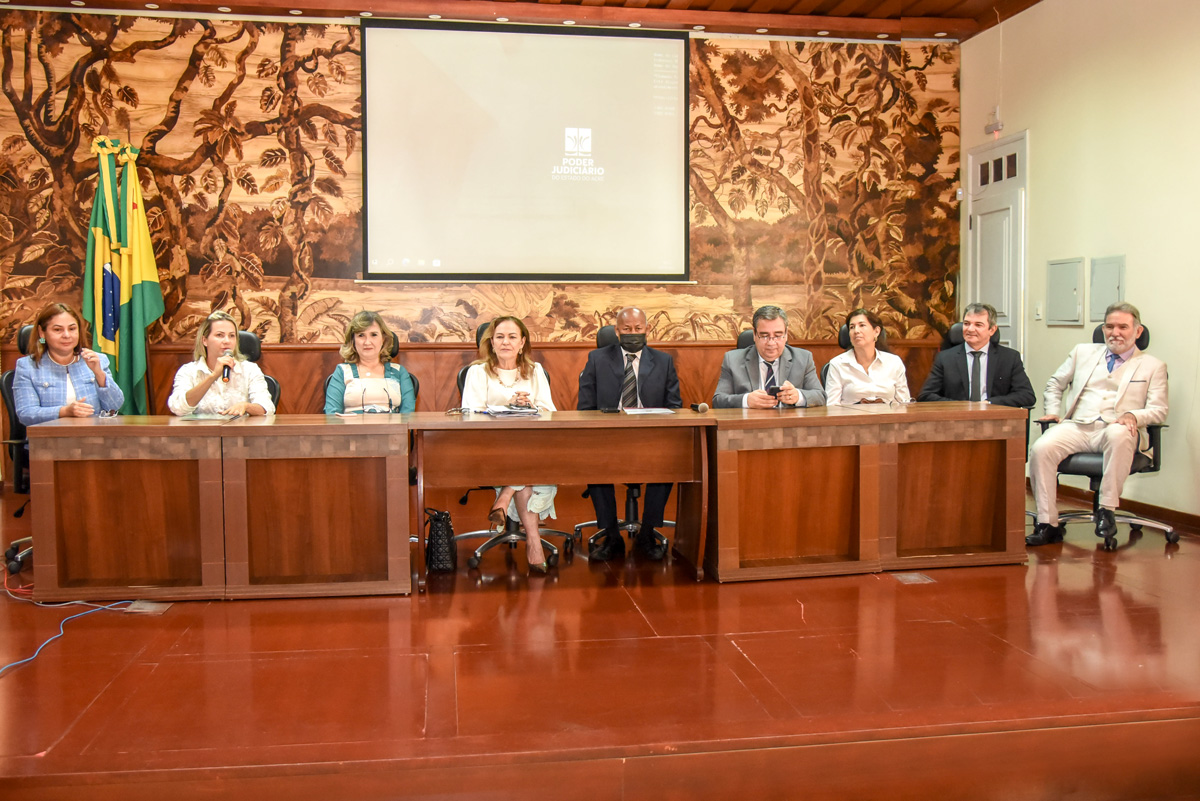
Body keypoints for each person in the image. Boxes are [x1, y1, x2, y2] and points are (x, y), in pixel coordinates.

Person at [1026, 302, 1168, 546]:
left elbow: (1159, 410)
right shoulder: (1082, 352)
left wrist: (1135, 416)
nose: (1116, 332)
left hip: (1118, 429)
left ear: (1138, 331)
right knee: (1041, 447)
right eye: (1110, 326)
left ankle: (1106, 509)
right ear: (1103, 329)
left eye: (1123, 327)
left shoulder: (1153, 366)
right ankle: (1048, 523)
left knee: (1118, 433)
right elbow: (1055, 384)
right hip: (1078, 425)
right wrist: (1052, 413)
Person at [577, 306, 682, 562]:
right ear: (616, 331)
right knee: (596, 467)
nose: (632, 334)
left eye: (638, 329)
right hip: (609, 436)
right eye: (626, 329)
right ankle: (611, 536)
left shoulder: (663, 361)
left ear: (647, 329)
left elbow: (675, 405)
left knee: (665, 465)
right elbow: (585, 407)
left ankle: (647, 534)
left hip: (650, 436)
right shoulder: (597, 359)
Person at [460, 316, 557, 573]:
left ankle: (504, 498)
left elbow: (549, 411)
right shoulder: (477, 372)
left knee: (524, 457)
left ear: (522, 342)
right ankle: (534, 542)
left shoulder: (535, 371)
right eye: (500, 337)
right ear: (491, 342)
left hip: (532, 445)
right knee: (523, 462)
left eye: (512, 337)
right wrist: (508, 407)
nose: (506, 342)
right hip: (490, 447)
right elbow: (469, 412)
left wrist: (529, 406)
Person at [13, 302, 125, 425]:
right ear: (42, 332)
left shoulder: (97, 360)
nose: (66, 335)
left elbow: (114, 406)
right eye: (57, 330)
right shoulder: (27, 366)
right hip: (49, 440)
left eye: (72, 329)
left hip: (94, 439)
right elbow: (26, 414)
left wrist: (99, 373)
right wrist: (64, 411)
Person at [918, 302, 1035, 407]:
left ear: (992, 330)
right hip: (956, 421)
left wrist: (989, 403)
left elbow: (1027, 395)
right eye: (966, 323)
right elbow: (926, 395)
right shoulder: (945, 358)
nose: (970, 329)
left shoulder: (1009, 358)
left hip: (995, 420)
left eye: (978, 325)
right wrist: (961, 406)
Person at [712, 305, 825, 409]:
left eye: (777, 335)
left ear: (786, 334)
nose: (771, 343)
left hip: (789, 426)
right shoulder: (732, 360)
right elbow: (718, 400)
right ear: (755, 335)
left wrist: (798, 396)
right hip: (749, 426)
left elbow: (821, 396)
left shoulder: (803, 358)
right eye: (765, 336)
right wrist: (746, 400)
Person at [168, 311, 275, 417]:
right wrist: (213, 376)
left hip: (239, 431)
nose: (227, 341)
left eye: (232, 336)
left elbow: (267, 407)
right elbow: (178, 408)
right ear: (205, 340)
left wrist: (246, 406)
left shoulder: (250, 369)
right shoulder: (188, 371)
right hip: (202, 432)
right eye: (220, 335)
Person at [324, 311, 416, 414]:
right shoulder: (342, 371)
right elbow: (332, 414)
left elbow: (408, 415)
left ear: (383, 339)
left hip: (391, 429)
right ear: (353, 340)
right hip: (351, 429)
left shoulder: (399, 372)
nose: (367, 342)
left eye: (374, 335)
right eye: (361, 335)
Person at [824, 308, 911, 405]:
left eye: (862, 325)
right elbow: (831, 406)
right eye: (852, 327)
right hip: (851, 417)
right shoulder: (838, 364)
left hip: (888, 418)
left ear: (876, 331)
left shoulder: (894, 362)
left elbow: (904, 402)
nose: (856, 331)